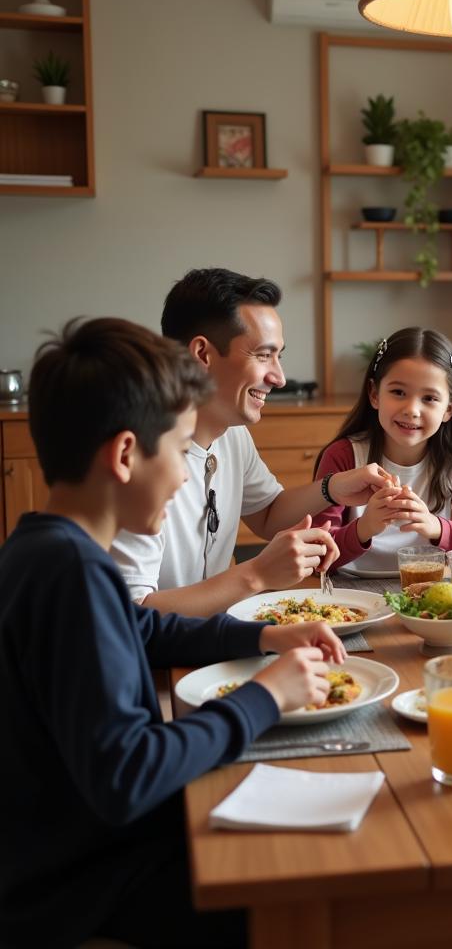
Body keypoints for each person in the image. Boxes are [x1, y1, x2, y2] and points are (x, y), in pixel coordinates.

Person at [0, 318, 345, 948]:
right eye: (180, 450)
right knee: (318, 891)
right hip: (81, 886)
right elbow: (128, 773)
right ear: (127, 454)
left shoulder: (45, 545)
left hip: (79, 854)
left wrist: (262, 639)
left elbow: (142, 629)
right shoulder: (73, 573)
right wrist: (265, 697)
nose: (188, 477)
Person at [112, 268, 394, 616]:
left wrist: (333, 488)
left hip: (213, 635)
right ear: (202, 354)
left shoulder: (232, 434)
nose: (278, 377)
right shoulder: (138, 458)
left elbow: (268, 514)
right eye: (263, 355)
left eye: (279, 356)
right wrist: (256, 574)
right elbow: (131, 617)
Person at [313, 327, 452, 570]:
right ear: (374, 394)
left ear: (450, 408)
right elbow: (316, 554)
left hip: (429, 594)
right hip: (348, 597)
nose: (412, 409)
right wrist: (364, 528)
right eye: (398, 392)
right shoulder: (343, 456)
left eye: (429, 398)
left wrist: (436, 527)